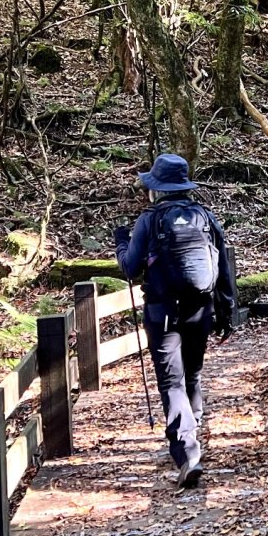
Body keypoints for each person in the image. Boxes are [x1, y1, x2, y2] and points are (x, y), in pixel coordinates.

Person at [114, 154, 235, 488]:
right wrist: (227, 312)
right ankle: (191, 435)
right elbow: (224, 268)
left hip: (162, 311)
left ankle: (187, 451)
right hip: (201, 309)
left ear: (157, 188)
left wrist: (121, 241)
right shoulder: (205, 217)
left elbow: (129, 267)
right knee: (192, 374)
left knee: (172, 381)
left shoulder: (149, 220)